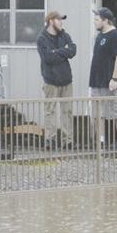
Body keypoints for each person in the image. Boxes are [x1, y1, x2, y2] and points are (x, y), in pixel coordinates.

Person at [36, 10, 77, 148]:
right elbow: (47, 58)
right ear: (51, 21)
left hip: (66, 80)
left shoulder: (65, 35)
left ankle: (68, 142)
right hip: (51, 81)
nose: (61, 22)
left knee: (67, 111)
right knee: (50, 111)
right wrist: (62, 51)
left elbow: (73, 51)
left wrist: (56, 51)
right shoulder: (42, 38)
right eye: (59, 19)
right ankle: (50, 140)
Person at [89, 6, 117, 150]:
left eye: (97, 19)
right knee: (99, 112)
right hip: (97, 81)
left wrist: (114, 78)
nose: (95, 22)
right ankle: (101, 141)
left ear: (106, 20)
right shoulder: (99, 36)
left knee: (116, 110)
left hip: (110, 81)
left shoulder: (115, 35)